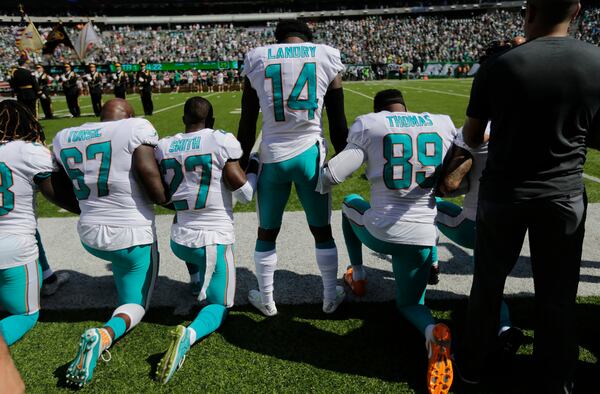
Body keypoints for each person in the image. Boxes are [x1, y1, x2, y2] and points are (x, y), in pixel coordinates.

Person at [459, 0, 600, 391]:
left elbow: (471, 137)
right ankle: (556, 378)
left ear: (530, 9)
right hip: (563, 194)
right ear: (575, 10)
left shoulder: (500, 64)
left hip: (504, 193)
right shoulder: (596, 60)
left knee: (488, 286)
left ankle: (472, 368)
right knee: (558, 293)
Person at [318, 89, 456, 394]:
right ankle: (432, 331)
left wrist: (318, 174)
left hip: (382, 232)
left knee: (350, 204)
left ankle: (359, 273)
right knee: (410, 304)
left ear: (378, 110)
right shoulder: (442, 123)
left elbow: (334, 174)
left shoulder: (371, 124)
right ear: (405, 107)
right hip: (423, 237)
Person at [237, 20, 349, 316]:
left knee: (266, 232)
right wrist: (344, 158)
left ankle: (268, 299)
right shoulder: (324, 54)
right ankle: (328, 297)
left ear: (278, 38)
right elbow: (338, 120)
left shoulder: (258, 56)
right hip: (310, 155)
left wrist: (238, 163)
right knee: (322, 230)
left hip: (272, 155)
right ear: (308, 38)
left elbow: (247, 122)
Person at [53, 99, 168, 386]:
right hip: (131, 235)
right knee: (135, 303)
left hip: (89, 235)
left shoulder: (64, 136)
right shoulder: (135, 128)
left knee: (121, 263)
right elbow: (154, 188)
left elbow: (56, 185)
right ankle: (105, 334)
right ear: (128, 116)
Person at [154, 97, 256, 383]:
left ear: (184, 119)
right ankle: (190, 335)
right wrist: (256, 170)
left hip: (178, 240)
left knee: (192, 244)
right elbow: (245, 194)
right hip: (211, 241)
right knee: (220, 306)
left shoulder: (165, 145)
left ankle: (196, 281)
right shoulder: (219, 140)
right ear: (211, 121)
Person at [435, 124, 524, 357]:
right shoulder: (533, 124)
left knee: (428, 209)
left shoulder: (475, 130)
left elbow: (450, 184)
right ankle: (504, 328)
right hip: (517, 225)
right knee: (491, 282)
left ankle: (431, 263)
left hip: (476, 224)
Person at [0, 100, 79, 346]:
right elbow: (58, 195)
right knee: (24, 314)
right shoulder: (29, 151)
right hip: (11, 246)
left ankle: (48, 278)